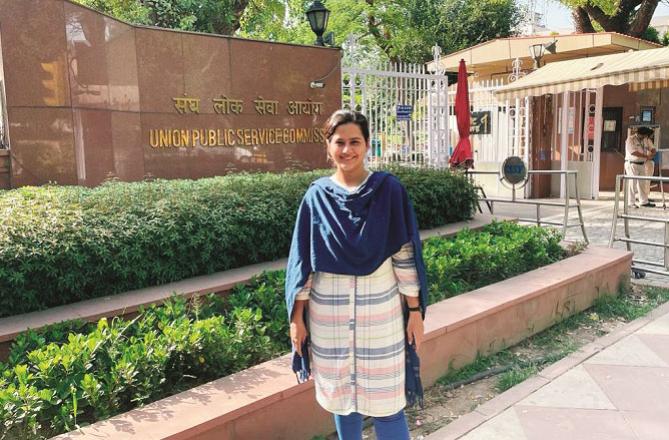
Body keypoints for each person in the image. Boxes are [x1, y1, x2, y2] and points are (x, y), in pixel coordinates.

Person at [285, 110, 428, 440]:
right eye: (340, 142)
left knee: (388, 404)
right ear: (328, 146)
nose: (347, 150)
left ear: (367, 145)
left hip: (381, 317)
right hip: (329, 317)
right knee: (343, 402)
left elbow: (404, 258)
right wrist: (297, 319)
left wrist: (415, 312)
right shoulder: (316, 197)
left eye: (355, 142)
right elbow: (304, 266)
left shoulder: (387, 191)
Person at [625, 126, 656, 208]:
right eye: (645, 135)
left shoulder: (646, 140)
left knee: (643, 183)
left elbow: (653, 149)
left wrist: (652, 154)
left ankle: (643, 201)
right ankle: (630, 203)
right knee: (632, 184)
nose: (645, 137)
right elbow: (633, 152)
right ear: (640, 134)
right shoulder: (630, 139)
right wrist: (646, 156)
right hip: (632, 164)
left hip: (642, 163)